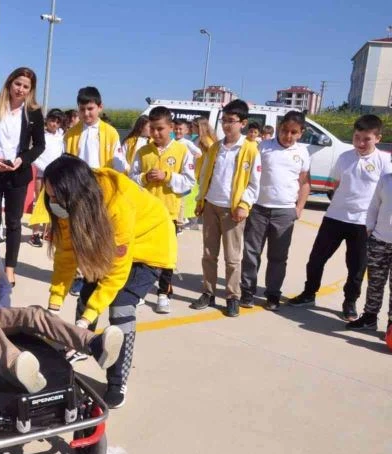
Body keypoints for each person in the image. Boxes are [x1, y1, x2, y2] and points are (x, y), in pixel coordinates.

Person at [0, 203, 124, 393]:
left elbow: (4, 286)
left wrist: (3, 308)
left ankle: (93, 343)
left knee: (34, 313)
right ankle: (18, 366)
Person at [44, 154, 177, 408]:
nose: (52, 202)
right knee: (86, 294)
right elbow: (66, 256)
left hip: (150, 246)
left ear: (74, 192)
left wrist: (90, 315)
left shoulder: (117, 203)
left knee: (121, 307)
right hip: (111, 243)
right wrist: (54, 304)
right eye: (49, 195)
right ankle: (82, 344)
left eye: (55, 197)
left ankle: (117, 381)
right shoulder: (66, 200)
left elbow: (117, 272)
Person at [288, 115, 392, 321]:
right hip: (334, 218)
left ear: (377, 138)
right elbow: (336, 185)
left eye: (366, 139)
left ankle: (350, 302)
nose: (360, 143)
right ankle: (309, 293)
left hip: (363, 224)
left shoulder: (384, 161)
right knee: (316, 259)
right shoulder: (344, 157)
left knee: (356, 267)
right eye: (356, 138)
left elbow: (384, 195)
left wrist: (373, 222)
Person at [0, 66, 46, 286]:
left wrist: (22, 160)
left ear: (30, 89)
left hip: (17, 174)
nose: (21, 89)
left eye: (26, 86)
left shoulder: (33, 112)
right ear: (9, 83)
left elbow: (40, 145)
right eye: (18, 84)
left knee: (14, 222)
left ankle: (9, 268)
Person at [190, 99, 261, 317]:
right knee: (209, 254)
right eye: (224, 120)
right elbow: (205, 176)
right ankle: (208, 292)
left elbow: (254, 182)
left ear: (243, 123)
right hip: (212, 205)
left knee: (233, 257)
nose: (226, 125)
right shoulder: (215, 148)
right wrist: (201, 200)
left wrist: (244, 205)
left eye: (231, 121)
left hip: (233, 211)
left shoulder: (249, 150)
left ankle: (232, 296)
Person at [239, 111, 311, 311]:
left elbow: (304, 183)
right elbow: (248, 177)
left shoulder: (303, 153)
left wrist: (299, 208)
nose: (288, 136)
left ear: (301, 133)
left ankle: (272, 294)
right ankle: (247, 291)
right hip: (259, 209)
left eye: (293, 132)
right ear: (279, 128)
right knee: (251, 253)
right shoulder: (263, 147)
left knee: (278, 257)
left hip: (285, 212)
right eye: (285, 130)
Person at [64, 86, 129, 297]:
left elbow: (119, 166)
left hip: (102, 192)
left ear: (100, 107)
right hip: (78, 192)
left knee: (100, 234)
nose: (87, 114)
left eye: (90, 108)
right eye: (82, 109)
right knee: (79, 234)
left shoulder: (110, 133)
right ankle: (79, 276)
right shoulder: (72, 134)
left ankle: (99, 274)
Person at [131, 106, 195, 314]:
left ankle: (163, 293)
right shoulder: (143, 151)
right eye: (153, 129)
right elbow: (132, 179)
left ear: (171, 127)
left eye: (160, 129)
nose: (156, 133)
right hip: (144, 213)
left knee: (167, 256)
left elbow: (188, 182)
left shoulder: (182, 151)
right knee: (140, 254)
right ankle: (138, 291)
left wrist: (168, 177)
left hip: (169, 213)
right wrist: (144, 178)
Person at [347, 169, 392, 342]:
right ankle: (369, 317)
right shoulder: (386, 180)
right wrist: (370, 229)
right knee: (375, 282)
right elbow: (374, 205)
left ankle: (391, 324)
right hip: (379, 240)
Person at [29, 107, 65, 248]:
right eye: (52, 120)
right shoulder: (41, 135)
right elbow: (33, 156)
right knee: (39, 204)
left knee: (55, 205)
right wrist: (44, 168)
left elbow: (63, 155)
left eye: (57, 122)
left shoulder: (63, 137)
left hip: (56, 176)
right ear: (47, 120)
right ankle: (35, 233)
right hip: (41, 175)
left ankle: (49, 231)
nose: (54, 124)